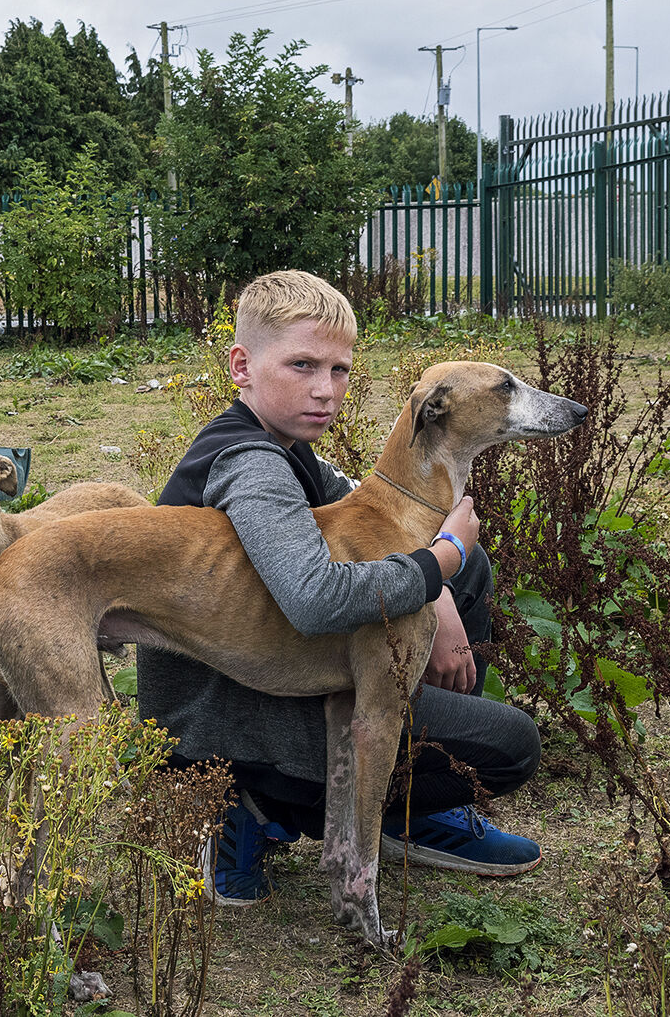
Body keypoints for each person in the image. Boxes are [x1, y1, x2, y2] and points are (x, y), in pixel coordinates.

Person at [135, 269, 542, 906]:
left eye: (340, 370)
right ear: (241, 366)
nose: (326, 391)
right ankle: (248, 807)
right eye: (302, 365)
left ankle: (396, 800)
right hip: (228, 710)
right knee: (509, 746)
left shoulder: (292, 444)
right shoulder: (250, 463)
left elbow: (368, 512)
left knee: (472, 569)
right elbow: (315, 596)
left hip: (281, 669)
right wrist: (438, 562)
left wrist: (441, 585)